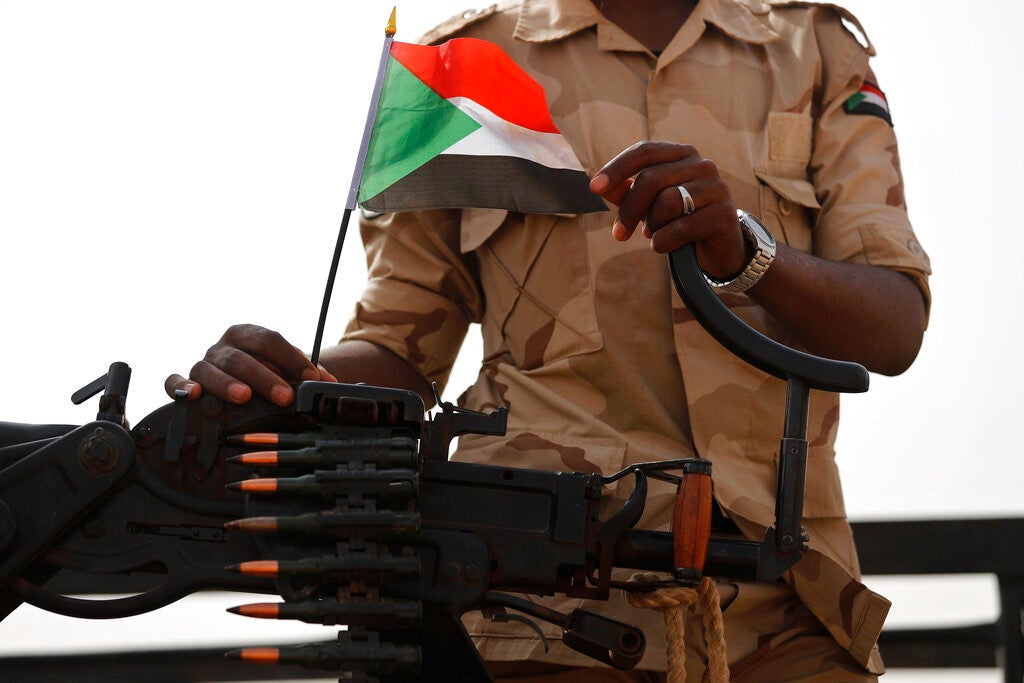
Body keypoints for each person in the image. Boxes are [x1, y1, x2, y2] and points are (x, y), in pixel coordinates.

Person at [167, 0, 930, 680]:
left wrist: (746, 253)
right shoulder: (462, 69)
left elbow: (893, 323)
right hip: (536, 608)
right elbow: (399, 351)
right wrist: (287, 381)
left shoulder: (812, 48)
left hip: (787, 607)